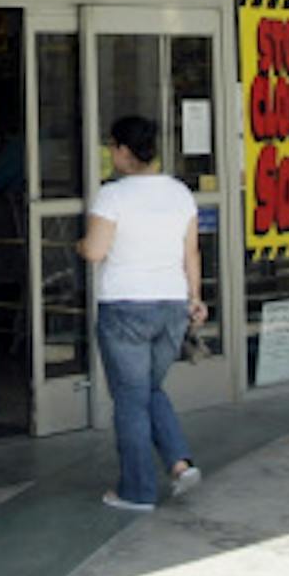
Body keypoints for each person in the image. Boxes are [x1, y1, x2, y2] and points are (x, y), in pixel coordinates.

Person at [78, 114, 205, 511]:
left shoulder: (113, 196)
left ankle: (137, 490)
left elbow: (96, 251)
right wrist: (195, 297)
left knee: (131, 400)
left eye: (111, 145)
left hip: (126, 308)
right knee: (148, 389)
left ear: (122, 151)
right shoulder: (179, 192)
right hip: (171, 306)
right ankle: (180, 464)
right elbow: (191, 252)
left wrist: (81, 245)